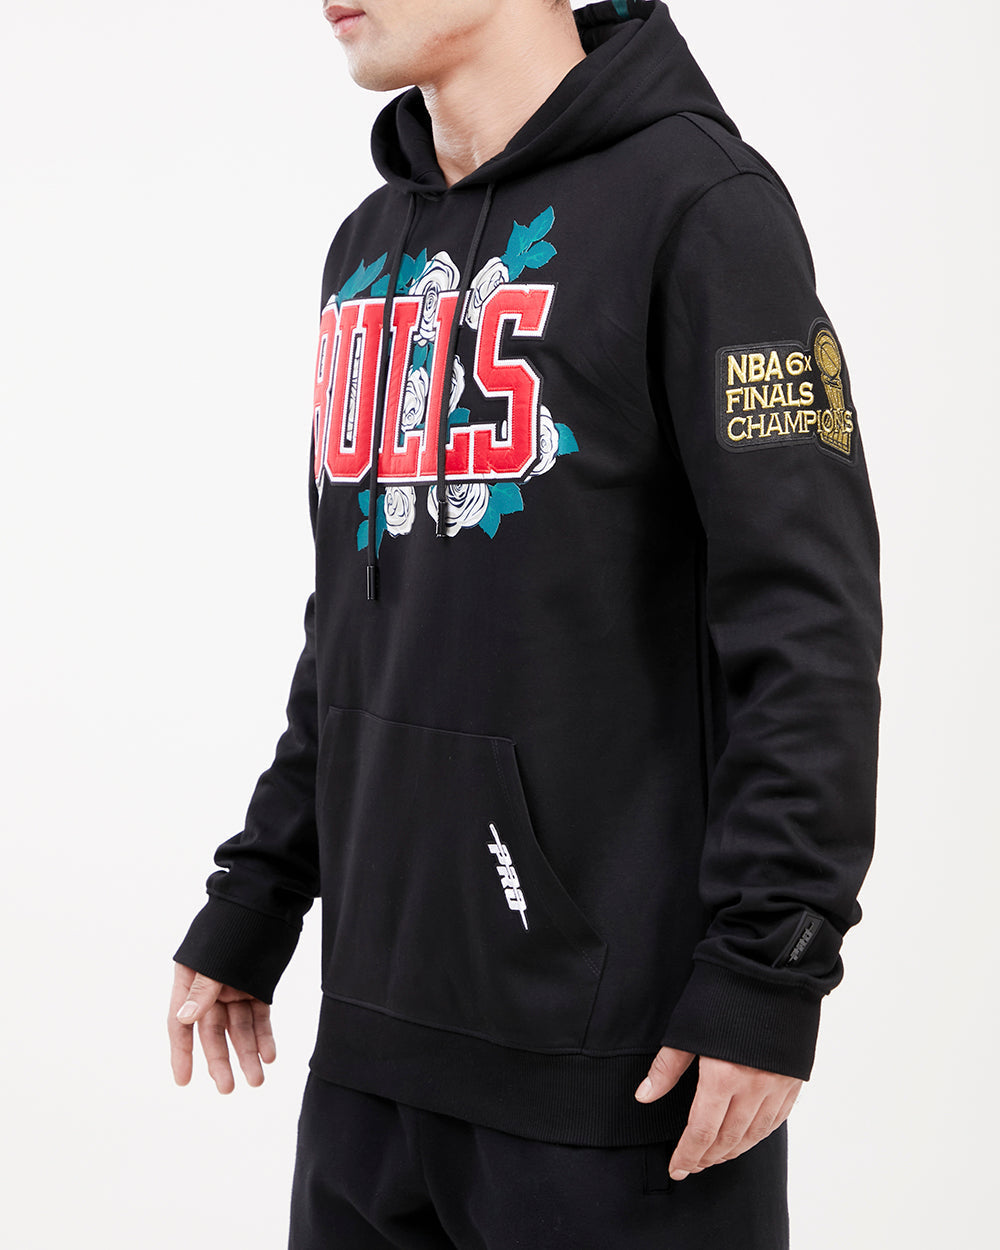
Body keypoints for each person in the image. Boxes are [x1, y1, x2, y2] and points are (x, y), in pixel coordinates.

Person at [168, 1, 882, 1246]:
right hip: (374, 1052)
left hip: (619, 1071)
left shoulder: (701, 209)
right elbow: (354, 614)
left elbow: (806, 622)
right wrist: (264, 885)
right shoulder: (368, 246)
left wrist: (770, 968)